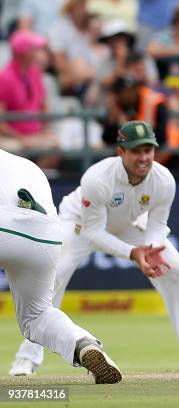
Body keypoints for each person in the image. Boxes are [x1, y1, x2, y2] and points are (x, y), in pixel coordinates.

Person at [9, 120, 179, 376]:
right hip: (79, 224)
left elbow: (157, 225)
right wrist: (134, 254)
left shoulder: (164, 180)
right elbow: (93, 232)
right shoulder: (98, 178)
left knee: (177, 271)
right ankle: (28, 358)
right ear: (121, 152)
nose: (143, 158)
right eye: (136, 151)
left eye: (148, 150)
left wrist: (151, 250)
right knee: (54, 276)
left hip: (129, 226)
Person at [1, 148, 122, 383]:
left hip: (8, 224)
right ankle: (83, 343)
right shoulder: (26, 164)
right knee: (36, 316)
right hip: (46, 235)